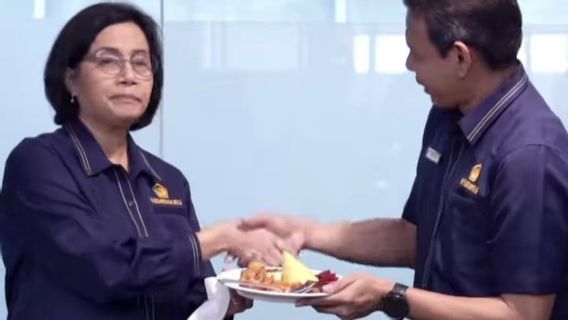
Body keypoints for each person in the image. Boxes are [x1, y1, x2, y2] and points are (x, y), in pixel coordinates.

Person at [243, 0, 568, 319]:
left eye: (417, 52)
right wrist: (307, 233)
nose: (409, 64)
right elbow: (418, 236)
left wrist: (391, 296)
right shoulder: (447, 116)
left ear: (460, 58)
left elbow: (524, 314)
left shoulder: (530, 155)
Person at [0, 3, 284, 319]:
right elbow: (105, 269)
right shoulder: (38, 164)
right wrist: (218, 238)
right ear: (70, 79)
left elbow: (192, 295)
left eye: (141, 63)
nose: (128, 76)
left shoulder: (168, 180)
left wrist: (229, 297)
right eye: (108, 61)